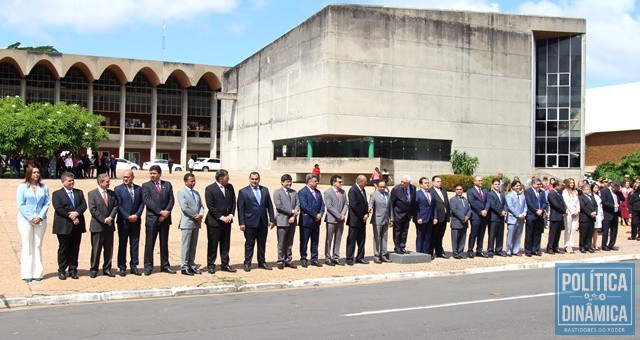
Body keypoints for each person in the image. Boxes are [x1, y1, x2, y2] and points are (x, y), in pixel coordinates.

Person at [16, 166, 50, 282]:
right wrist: (31, 217)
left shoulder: (44, 187)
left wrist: (40, 216)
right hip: (26, 219)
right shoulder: (22, 187)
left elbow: (47, 203)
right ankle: (26, 273)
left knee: (37, 244)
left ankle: (38, 272)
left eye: (38, 172)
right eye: (34, 172)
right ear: (29, 174)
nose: (36, 174)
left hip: (40, 219)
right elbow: (21, 204)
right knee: (27, 245)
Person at [51, 172, 87, 280]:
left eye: (72, 180)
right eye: (69, 181)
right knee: (64, 248)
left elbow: (83, 205)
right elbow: (58, 208)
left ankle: (73, 269)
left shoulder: (79, 192)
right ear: (63, 182)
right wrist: (71, 215)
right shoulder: (57, 194)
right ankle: (62, 270)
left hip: (77, 226)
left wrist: (76, 213)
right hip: (63, 225)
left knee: (75, 248)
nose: (72, 182)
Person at [237, 172, 275, 272]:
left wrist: (272, 219)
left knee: (262, 243)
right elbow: (240, 209)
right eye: (252, 179)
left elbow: (269, 206)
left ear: (259, 179)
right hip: (250, 222)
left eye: (256, 179)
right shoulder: (243, 192)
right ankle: (247, 263)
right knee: (250, 243)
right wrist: (241, 223)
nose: (254, 181)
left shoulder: (265, 190)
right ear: (249, 179)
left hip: (263, 222)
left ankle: (262, 262)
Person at [141, 165, 175, 275]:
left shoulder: (167, 185)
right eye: (150, 173)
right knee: (150, 243)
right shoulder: (146, 186)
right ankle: (148, 266)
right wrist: (160, 212)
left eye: (154, 173)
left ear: (159, 174)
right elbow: (147, 200)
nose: (152, 175)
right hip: (152, 219)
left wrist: (166, 213)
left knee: (164, 243)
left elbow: (171, 200)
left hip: (165, 219)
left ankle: (165, 265)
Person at [204, 169, 237, 273]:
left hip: (227, 222)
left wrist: (231, 215)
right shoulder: (210, 189)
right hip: (214, 222)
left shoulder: (229, 187)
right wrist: (222, 217)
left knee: (225, 244)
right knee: (213, 244)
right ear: (220, 178)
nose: (228, 179)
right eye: (227, 177)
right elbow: (211, 206)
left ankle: (225, 264)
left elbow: (233, 202)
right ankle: (211, 264)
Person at [87, 174, 119, 278]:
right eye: (107, 181)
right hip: (97, 225)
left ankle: (107, 268)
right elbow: (93, 209)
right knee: (96, 249)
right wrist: (103, 219)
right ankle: (94, 269)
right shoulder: (92, 194)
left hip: (109, 225)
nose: (109, 183)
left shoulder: (112, 194)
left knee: (109, 249)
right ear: (100, 182)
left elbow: (115, 206)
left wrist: (111, 218)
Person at [114, 169, 145, 276]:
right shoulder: (118, 189)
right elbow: (119, 205)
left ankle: (134, 265)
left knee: (134, 243)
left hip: (136, 221)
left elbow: (142, 203)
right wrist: (127, 216)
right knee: (123, 244)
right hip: (123, 221)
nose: (125, 179)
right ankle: (122, 266)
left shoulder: (139, 189)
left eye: (128, 177)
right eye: (124, 177)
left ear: (133, 177)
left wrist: (137, 215)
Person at [177, 173, 204, 275]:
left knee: (193, 245)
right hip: (187, 222)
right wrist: (195, 215)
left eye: (194, 181)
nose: (193, 183)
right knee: (186, 246)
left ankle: (192, 265)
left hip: (196, 223)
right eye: (191, 181)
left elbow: (201, 205)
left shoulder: (196, 193)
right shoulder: (181, 193)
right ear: (185, 181)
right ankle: (184, 266)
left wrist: (201, 214)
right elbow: (184, 207)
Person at [273, 174, 299, 269]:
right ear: (282, 182)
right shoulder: (277, 193)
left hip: (292, 221)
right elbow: (279, 206)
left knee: (289, 242)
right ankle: (280, 260)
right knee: (281, 242)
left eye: (290, 181)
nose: (289, 183)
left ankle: (288, 260)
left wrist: (294, 215)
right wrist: (292, 212)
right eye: (287, 181)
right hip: (282, 220)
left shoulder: (294, 193)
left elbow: (297, 205)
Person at [298, 174, 325, 267]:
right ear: (309, 182)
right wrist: (315, 215)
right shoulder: (302, 192)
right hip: (306, 221)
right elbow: (304, 206)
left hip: (316, 221)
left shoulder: (318, 192)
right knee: (304, 241)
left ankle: (314, 259)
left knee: (315, 241)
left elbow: (322, 204)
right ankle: (303, 258)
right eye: (315, 181)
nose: (317, 182)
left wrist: (320, 214)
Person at [323, 175, 348, 266]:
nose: (342, 183)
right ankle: (328, 257)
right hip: (331, 219)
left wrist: (343, 214)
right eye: (340, 182)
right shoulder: (328, 192)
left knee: (338, 239)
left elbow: (346, 204)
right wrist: (338, 215)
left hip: (341, 219)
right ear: (334, 182)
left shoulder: (343, 192)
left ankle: (336, 257)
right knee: (329, 239)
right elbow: (329, 206)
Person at [346, 175, 370, 265]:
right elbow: (353, 205)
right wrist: (362, 215)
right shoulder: (353, 190)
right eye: (365, 181)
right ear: (360, 181)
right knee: (352, 239)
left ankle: (360, 257)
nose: (366, 183)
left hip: (363, 220)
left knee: (361, 239)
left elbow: (365, 203)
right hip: (355, 219)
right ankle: (349, 257)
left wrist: (367, 214)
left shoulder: (363, 190)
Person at [390, 175, 415, 254]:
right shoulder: (396, 189)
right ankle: (397, 247)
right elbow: (391, 203)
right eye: (401, 181)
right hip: (398, 214)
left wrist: (412, 213)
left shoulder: (413, 188)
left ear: (408, 183)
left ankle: (402, 246)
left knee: (405, 231)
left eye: (404, 182)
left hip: (407, 214)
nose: (402, 183)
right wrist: (392, 217)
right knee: (397, 231)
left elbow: (413, 201)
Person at [368, 179, 393, 263]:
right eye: (381, 187)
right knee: (377, 238)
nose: (382, 188)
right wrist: (370, 208)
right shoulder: (374, 195)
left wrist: (391, 219)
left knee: (384, 238)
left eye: (384, 187)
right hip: (377, 219)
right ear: (377, 186)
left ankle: (383, 255)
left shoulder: (387, 194)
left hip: (386, 220)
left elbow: (390, 208)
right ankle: (376, 256)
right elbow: (370, 203)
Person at [467, 175, 490, 258]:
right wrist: (480, 211)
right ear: (474, 181)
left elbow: (488, 201)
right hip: (476, 215)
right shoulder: (470, 191)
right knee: (474, 233)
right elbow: (472, 202)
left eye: (481, 180)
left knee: (482, 233)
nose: (481, 182)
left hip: (484, 215)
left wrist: (486, 210)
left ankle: (479, 250)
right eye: (479, 180)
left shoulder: (485, 191)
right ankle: (470, 250)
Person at [414, 177, 437, 255]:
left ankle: (426, 253)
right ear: (421, 184)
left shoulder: (431, 194)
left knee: (427, 237)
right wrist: (418, 217)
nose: (427, 184)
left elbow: (434, 206)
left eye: (428, 183)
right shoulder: (417, 194)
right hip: (421, 219)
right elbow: (415, 207)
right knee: (420, 236)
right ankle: (419, 253)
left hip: (430, 218)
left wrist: (435, 217)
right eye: (425, 183)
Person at [524, 178, 547, 256]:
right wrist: (536, 210)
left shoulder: (542, 192)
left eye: (540, 184)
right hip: (531, 215)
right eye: (538, 184)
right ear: (533, 184)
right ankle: (528, 250)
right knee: (529, 233)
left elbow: (545, 202)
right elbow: (529, 203)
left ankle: (535, 249)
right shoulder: (528, 191)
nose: (539, 186)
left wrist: (541, 209)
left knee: (537, 233)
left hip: (540, 215)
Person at [429, 175, 450, 259]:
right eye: (438, 181)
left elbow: (446, 203)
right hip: (436, 217)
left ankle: (439, 252)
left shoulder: (443, 191)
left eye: (440, 181)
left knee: (440, 236)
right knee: (433, 235)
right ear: (433, 182)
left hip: (444, 216)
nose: (439, 183)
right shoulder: (430, 191)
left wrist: (448, 215)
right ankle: (430, 252)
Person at [487, 178, 508, 257]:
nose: (497, 186)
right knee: (492, 234)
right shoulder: (490, 194)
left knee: (500, 234)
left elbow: (505, 204)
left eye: (498, 184)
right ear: (492, 185)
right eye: (495, 184)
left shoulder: (502, 194)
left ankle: (499, 250)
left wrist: (505, 210)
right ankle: (490, 250)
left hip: (501, 218)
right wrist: (500, 212)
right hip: (493, 217)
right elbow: (492, 205)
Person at [505, 180, 527, 256]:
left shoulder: (522, 196)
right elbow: (510, 207)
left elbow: (525, 206)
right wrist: (518, 215)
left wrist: (524, 213)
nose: (518, 187)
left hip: (521, 219)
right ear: (513, 187)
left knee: (518, 235)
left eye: (519, 185)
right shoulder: (509, 195)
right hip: (513, 218)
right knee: (510, 235)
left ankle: (515, 250)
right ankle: (508, 250)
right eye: (517, 186)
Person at [600, 181, 623, 251]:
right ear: (612, 186)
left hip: (615, 213)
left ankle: (611, 245)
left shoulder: (617, 192)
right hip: (608, 213)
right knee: (606, 230)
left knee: (614, 230)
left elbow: (623, 199)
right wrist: (613, 205)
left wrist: (620, 191)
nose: (615, 190)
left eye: (617, 188)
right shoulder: (604, 191)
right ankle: (604, 245)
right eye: (615, 188)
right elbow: (604, 202)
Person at [449, 184, 471, 259]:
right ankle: (455, 253)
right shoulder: (452, 200)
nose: (459, 191)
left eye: (460, 189)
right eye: (457, 189)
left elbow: (469, 209)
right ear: (455, 190)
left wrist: (467, 216)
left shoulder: (465, 199)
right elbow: (454, 210)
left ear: (463, 190)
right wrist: (463, 217)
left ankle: (460, 252)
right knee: (455, 238)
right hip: (456, 222)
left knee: (463, 238)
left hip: (465, 222)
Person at [546, 180, 566, 255]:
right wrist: (563, 210)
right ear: (556, 186)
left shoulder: (559, 193)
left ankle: (555, 246)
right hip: (555, 215)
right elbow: (555, 204)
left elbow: (562, 203)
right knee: (553, 233)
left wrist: (564, 210)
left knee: (558, 233)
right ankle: (550, 247)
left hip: (560, 215)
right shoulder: (551, 193)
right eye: (560, 185)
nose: (561, 187)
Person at [562, 178, 580, 254]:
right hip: (569, 212)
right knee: (568, 228)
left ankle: (571, 244)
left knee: (573, 229)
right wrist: (572, 211)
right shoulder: (565, 191)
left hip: (576, 212)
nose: (572, 184)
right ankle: (567, 244)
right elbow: (567, 202)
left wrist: (578, 210)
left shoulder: (575, 191)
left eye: (573, 182)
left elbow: (578, 202)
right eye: (570, 183)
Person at [578, 184, 597, 253]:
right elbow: (583, 207)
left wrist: (595, 212)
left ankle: (588, 246)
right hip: (584, 217)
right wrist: (590, 213)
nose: (588, 190)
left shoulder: (592, 197)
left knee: (590, 233)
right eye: (587, 189)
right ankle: (582, 246)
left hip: (592, 218)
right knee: (583, 233)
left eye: (589, 189)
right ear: (583, 190)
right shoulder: (581, 197)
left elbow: (596, 205)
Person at [591, 183, 604, 250]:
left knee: (596, 230)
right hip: (593, 213)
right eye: (595, 187)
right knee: (591, 229)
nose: (596, 189)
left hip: (598, 212)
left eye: (597, 188)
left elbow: (600, 205)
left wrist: (602, 214)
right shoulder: (590, 195)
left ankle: (595, 244)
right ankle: (590, 244)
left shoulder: (598, 196)